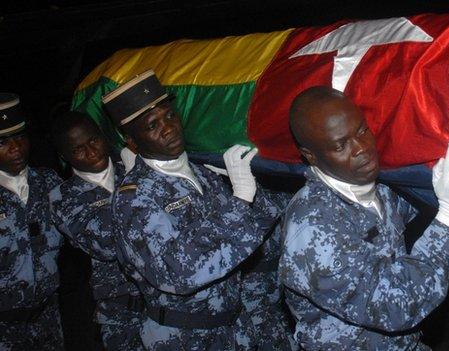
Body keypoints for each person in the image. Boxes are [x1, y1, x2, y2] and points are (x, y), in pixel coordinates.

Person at [279, 86, 449, 350]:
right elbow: (396, 305)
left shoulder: (375, 188)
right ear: (311, 156)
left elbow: (409, 205)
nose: (362, 149)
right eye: (341, 145)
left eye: (362, 131)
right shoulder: (312, 226)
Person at [103, 70, 290, 350]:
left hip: (236, 326)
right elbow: (177, 273)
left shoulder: (204, 175)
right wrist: (239, 201)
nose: (168, 128)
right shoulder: (133, 199)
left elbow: (258, 226)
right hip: (184, 337)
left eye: (170, 116)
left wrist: (250, 190)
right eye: (153, 125)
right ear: (131, 140)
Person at [48, 111, 144, 350]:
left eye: (94, 140)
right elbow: (106, 245)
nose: (92, 152)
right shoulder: (63, 197)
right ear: (64, 156)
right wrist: (135, 184)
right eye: (78, 149)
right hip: (121, 313)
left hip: (168, 302)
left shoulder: (134, 167)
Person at [0, 93, 64, 350]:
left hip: (48, 320)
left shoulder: (49, 183)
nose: (15, 148)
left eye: (20, 137)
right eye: (2, 141)